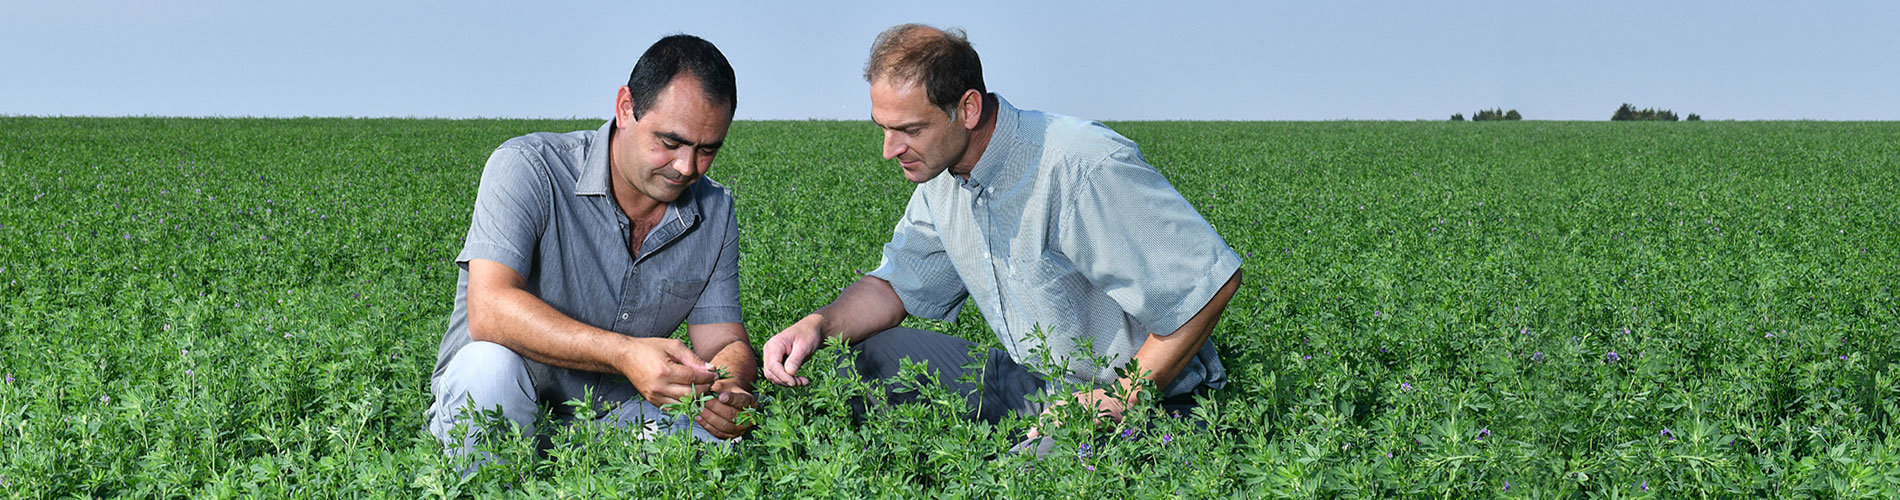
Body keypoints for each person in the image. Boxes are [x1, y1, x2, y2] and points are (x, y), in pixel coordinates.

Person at [761, 24, 1243, 441]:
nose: (890, 150)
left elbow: (1209, 284)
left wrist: (1120, 398)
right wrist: (817, 326)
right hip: (1044, 387)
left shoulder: (1079, 165)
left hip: (1153, 403)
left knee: (1027, 478)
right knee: (865, 358)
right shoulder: (943, 180)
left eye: (908, 129)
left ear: (967, 109)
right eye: (882, 128)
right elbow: (895, 285)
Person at [425, 35, 757, 465]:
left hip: (618, 418)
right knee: (486, 371)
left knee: (722, 447)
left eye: (707, 149)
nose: (687, 167)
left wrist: (728, 388)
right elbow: (488, 309)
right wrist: (624, 353)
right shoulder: (530, 167)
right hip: (516, 401)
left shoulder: (714, 210)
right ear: (625, 108)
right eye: (670, 142)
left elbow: (724, 340)